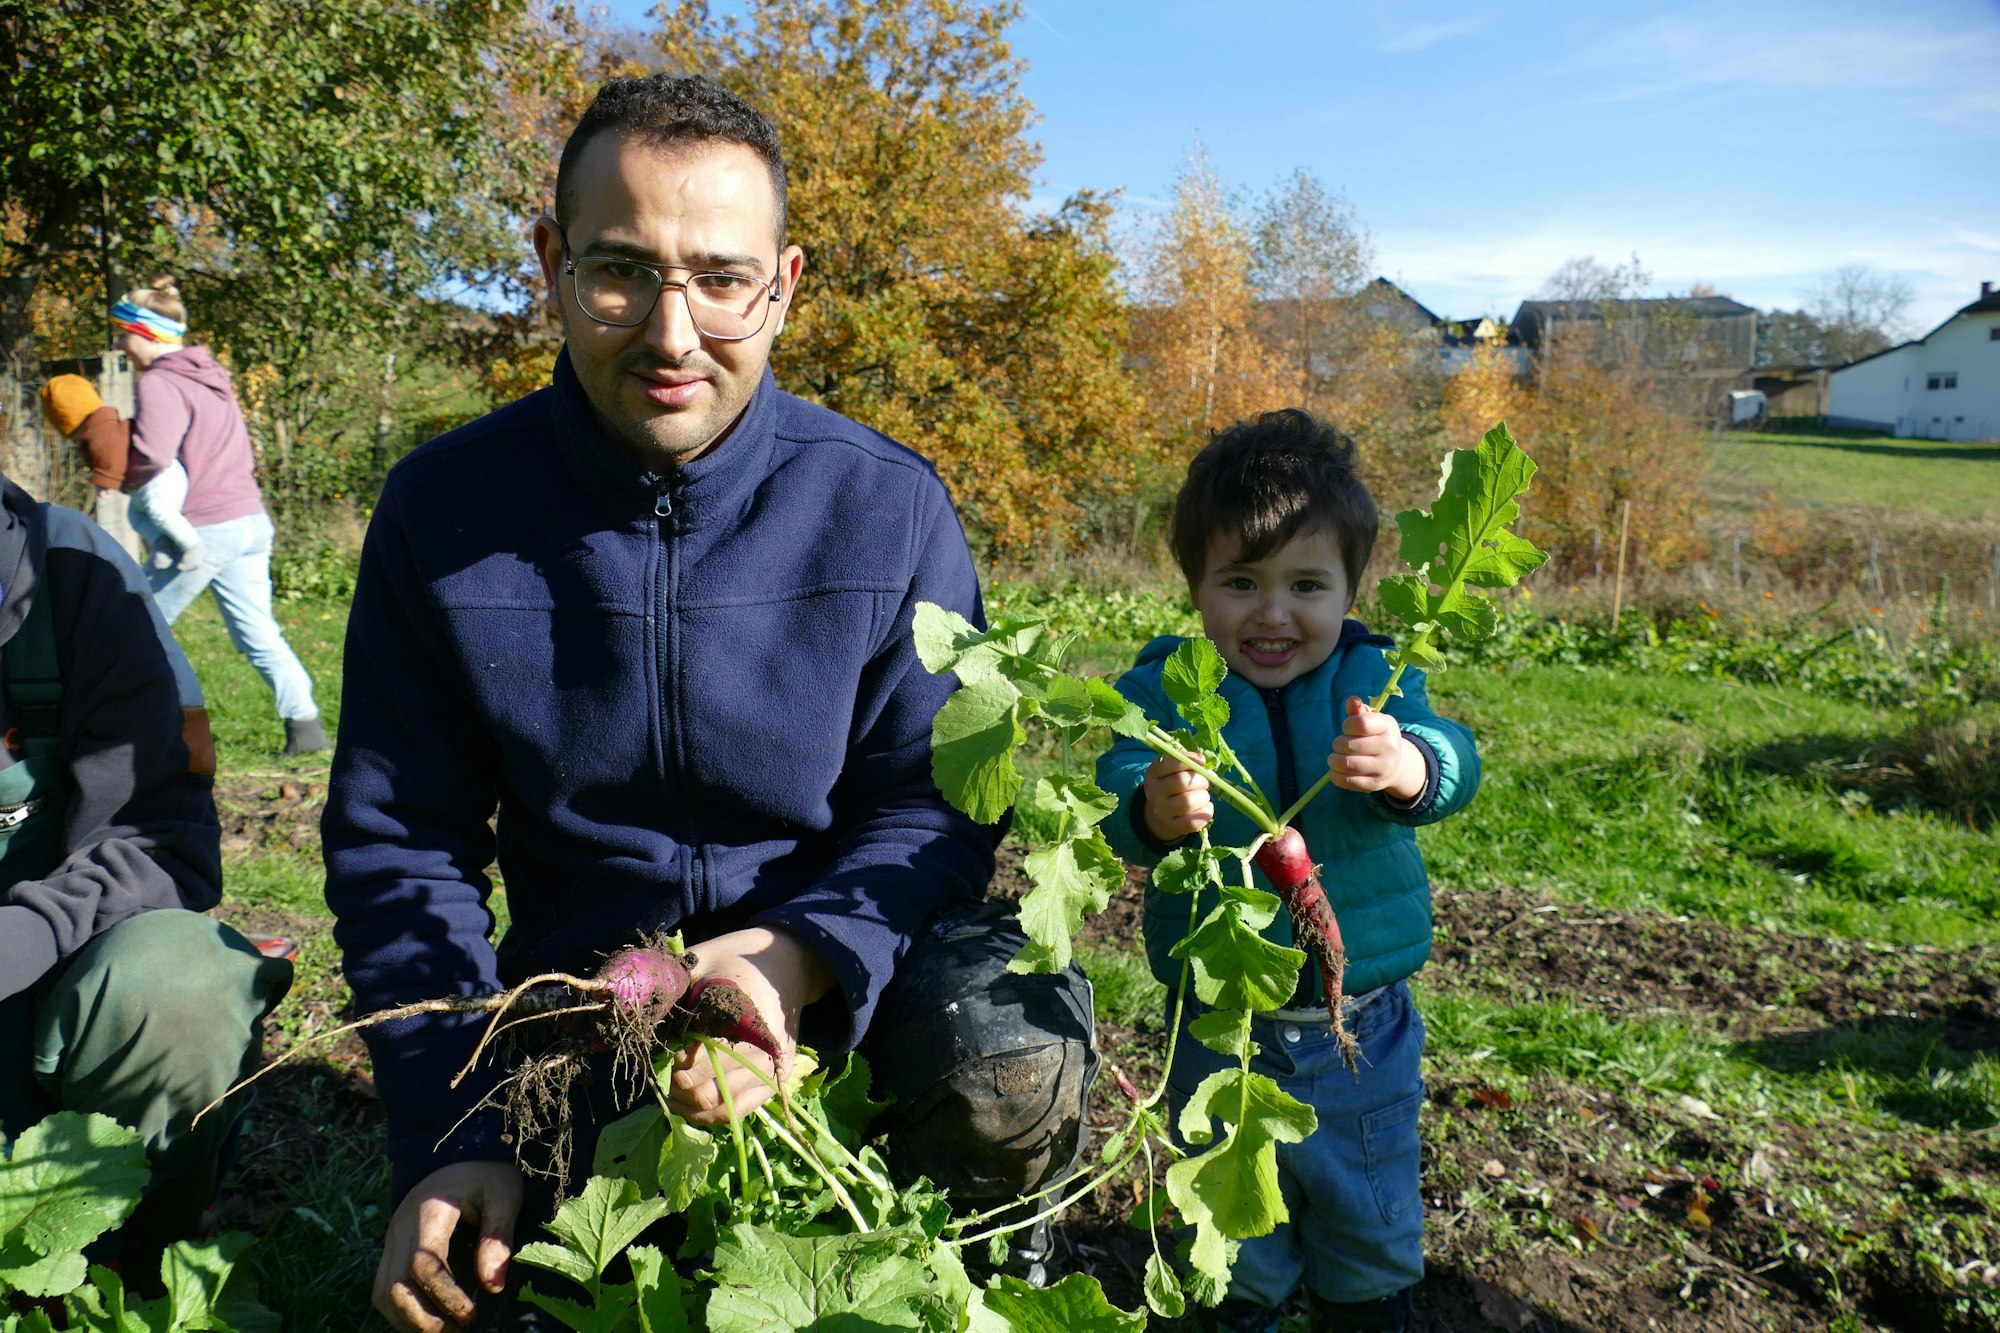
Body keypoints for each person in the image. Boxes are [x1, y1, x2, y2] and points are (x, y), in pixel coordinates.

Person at [321, 74, 1095, 1333]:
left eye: (722, 280)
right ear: (551, 264)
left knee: (1008, 1046)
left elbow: (933, 810)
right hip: (588, 1008)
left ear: (781, 285)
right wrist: (445, 1131)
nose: (672, 334)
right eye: (621, 272)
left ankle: (972, 1246)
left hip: (846, 988)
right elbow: (401, 844)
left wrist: (795, 965)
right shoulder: (443, 511)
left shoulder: (884, 506)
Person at [1095, 409, 1482, 1333]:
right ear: (1196, 589)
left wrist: (1408, 767)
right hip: (1221, 1028)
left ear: (1351, 587)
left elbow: (1452, 756)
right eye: (1240, 583)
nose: (1273, 614)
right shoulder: (1162, 690)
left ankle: (1366, 1306)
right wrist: (1154, 809)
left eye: (1307, 584)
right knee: (1232, 1235)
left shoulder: (1377, 677)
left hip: (1366, 1023)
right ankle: (1241, 1306)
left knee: (1369, 1210)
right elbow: (1118, 799)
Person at [0, 467, 292, 1285]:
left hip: (46, 990)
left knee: (180, 980)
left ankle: (122, 1266)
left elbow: (163, 842)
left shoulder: (72, 578)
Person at [108, 278, 328, 755]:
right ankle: (306, 728)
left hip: (204, 527)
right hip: (248, 519)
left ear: (145, 334)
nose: (119, 343)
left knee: (133, 629)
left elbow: (153, 453)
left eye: (122, 332)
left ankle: (123, 736)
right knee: (258, 633)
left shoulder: (162, 381)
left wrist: (115, 471)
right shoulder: (211, 374)